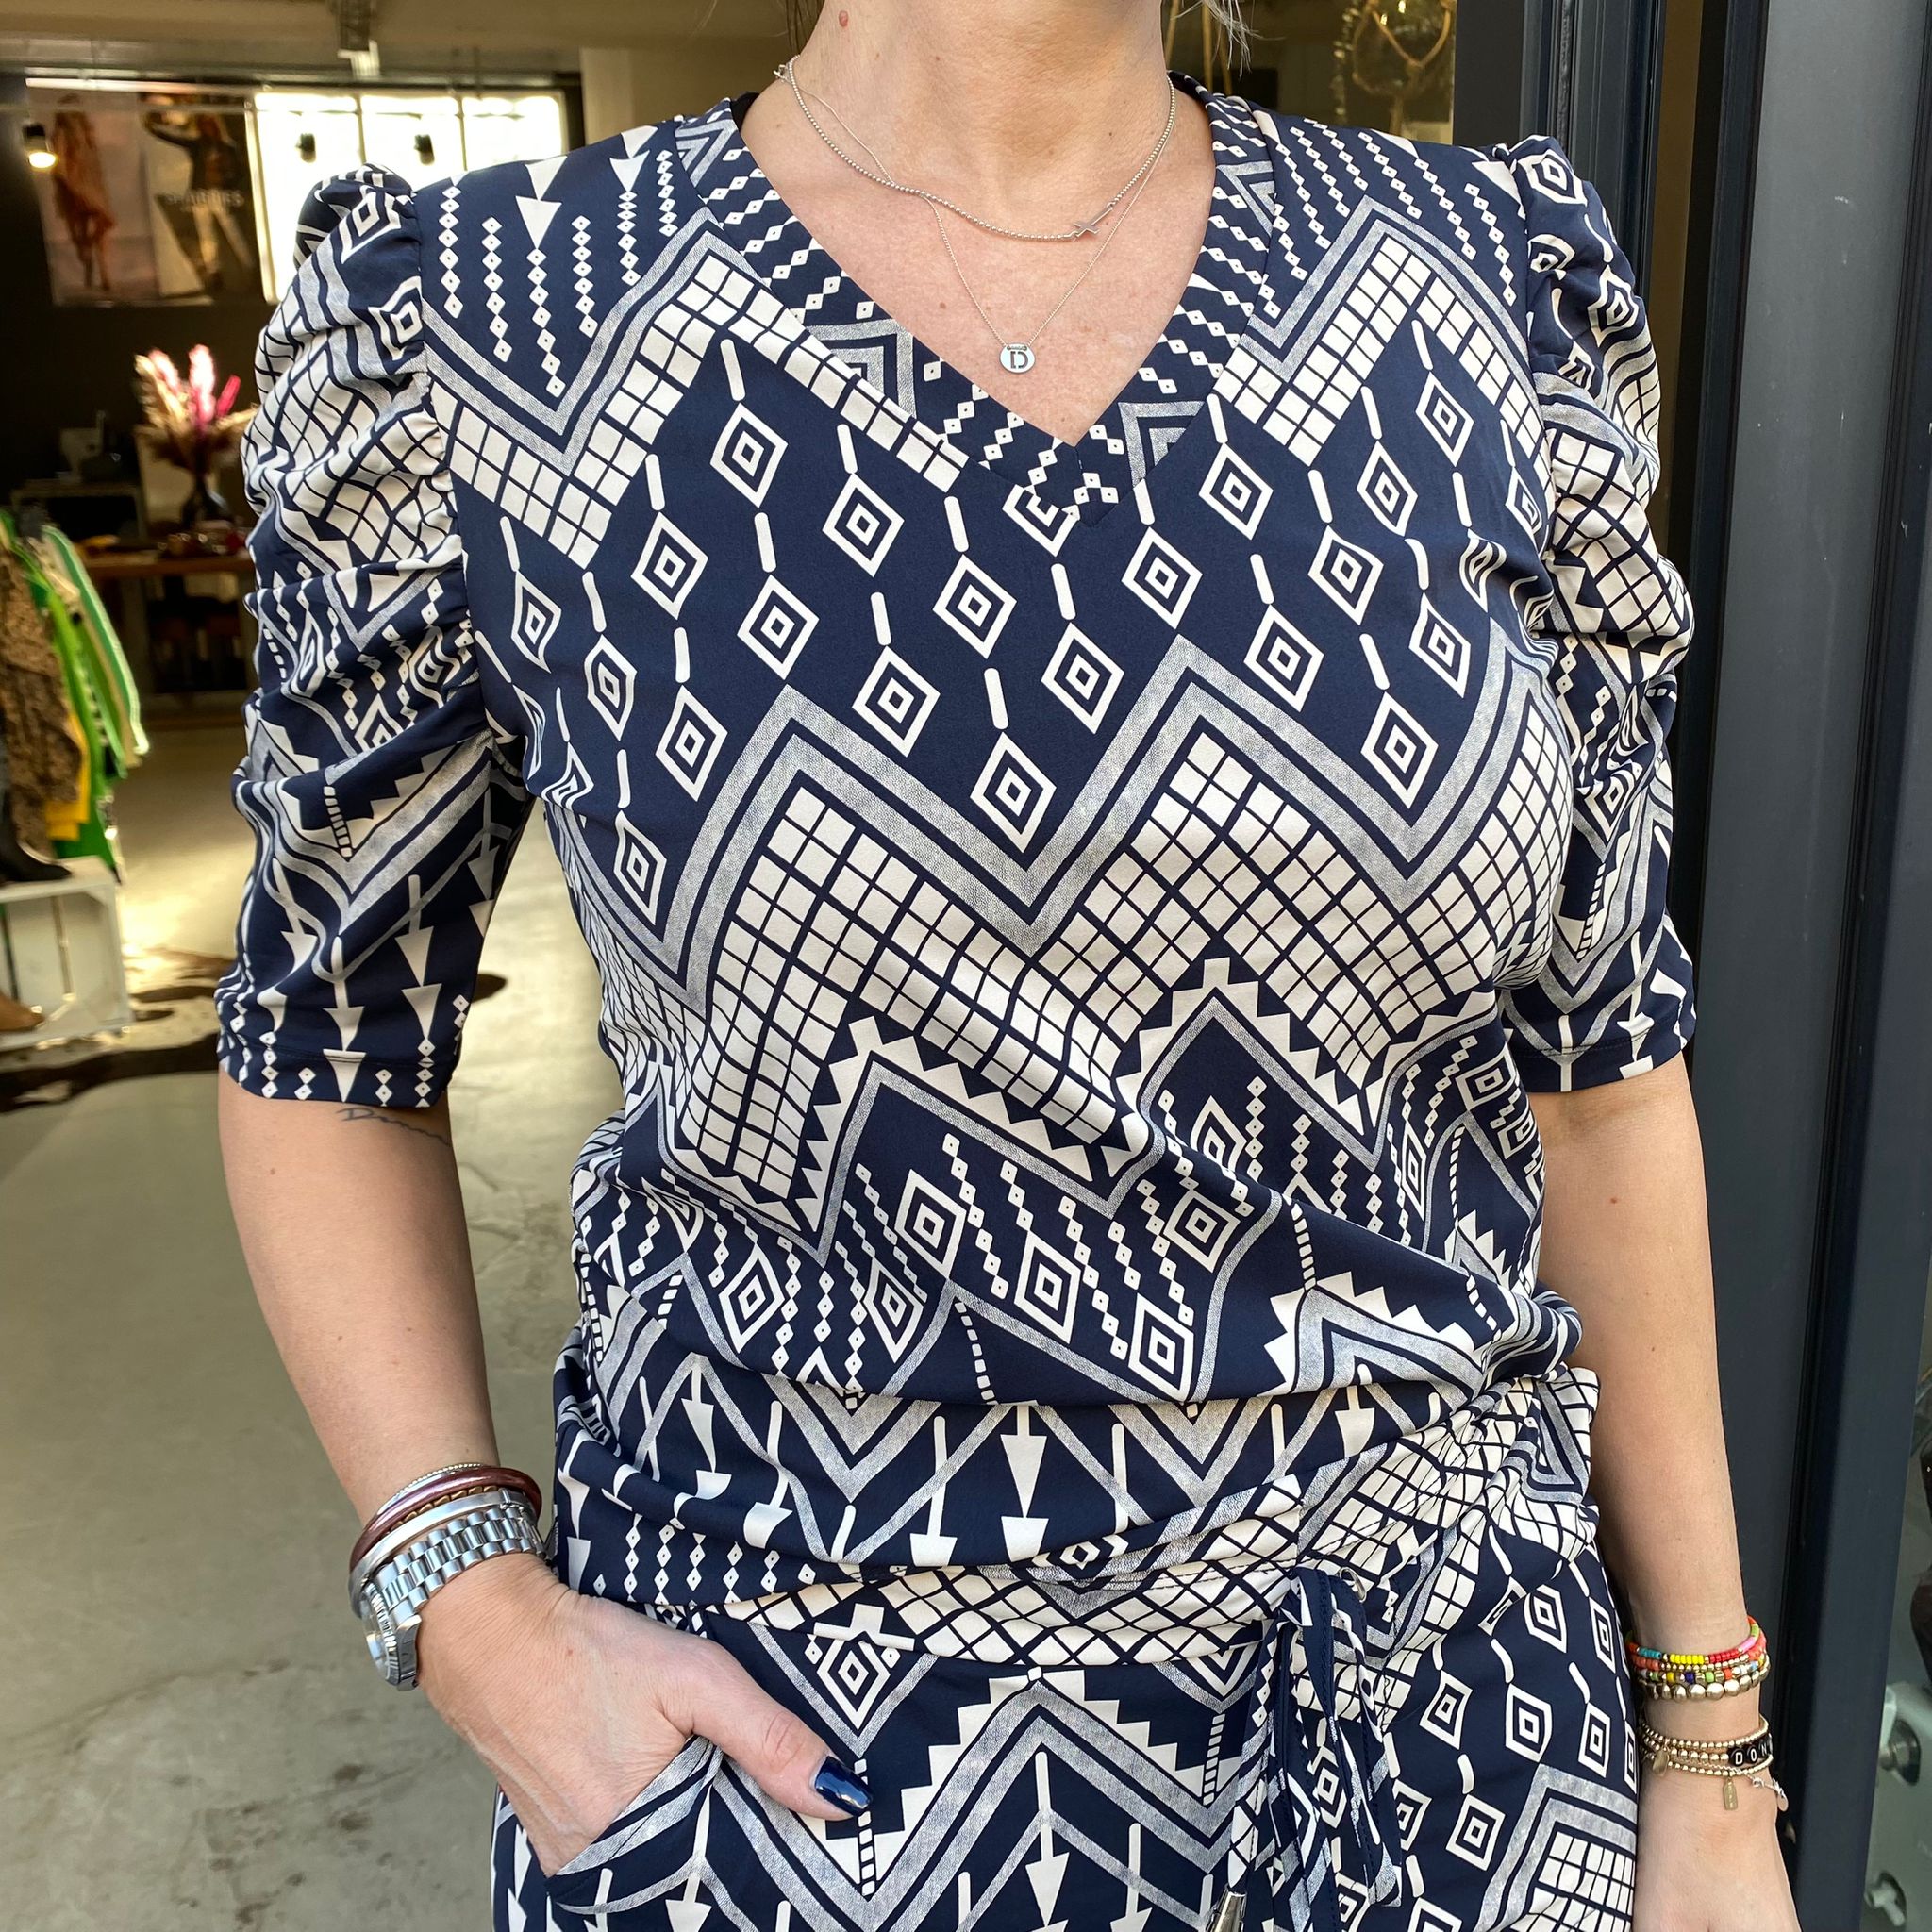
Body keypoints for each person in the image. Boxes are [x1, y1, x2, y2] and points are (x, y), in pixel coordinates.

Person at [213, 3, 1803, 1926]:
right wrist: (462, 1595)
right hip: (807, 1763)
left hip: (1459, 1743)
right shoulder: (484, 319)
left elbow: (1602, 1066)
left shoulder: (1488, 289)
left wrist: (1709, 1744)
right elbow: (327, 1037)